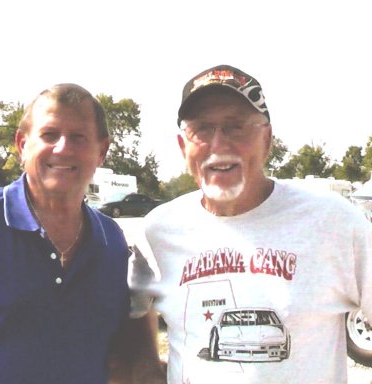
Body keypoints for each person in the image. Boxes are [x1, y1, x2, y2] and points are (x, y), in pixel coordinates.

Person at [129, 64, 372, 383]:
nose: (218, 144)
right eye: (202, 129)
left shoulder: (335, 223)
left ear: (267, 139)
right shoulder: (157, 232)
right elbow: (130, 338)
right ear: (182, 146)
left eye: (237, 126)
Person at [0, 83, 134, 384]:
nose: (63, 148)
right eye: (49, 134)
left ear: (101, 151)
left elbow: (118, 344)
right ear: (22, 144)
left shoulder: (112, 241)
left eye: (78, 137)